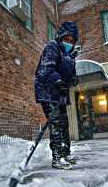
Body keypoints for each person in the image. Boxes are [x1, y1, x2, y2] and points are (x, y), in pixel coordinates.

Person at [34, 21, 79, 170]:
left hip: (60, 93)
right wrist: (58, 81)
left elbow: (71, 74)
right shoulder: (52, 47)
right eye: (67, 39)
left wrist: (73, 79)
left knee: (64, 123)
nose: (69, 42)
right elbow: (46, 69)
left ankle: (66, 153)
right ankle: (57, 157)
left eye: (72, 40)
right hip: (47, 90)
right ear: (60, 37)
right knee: (56, 123)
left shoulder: (70, 55)